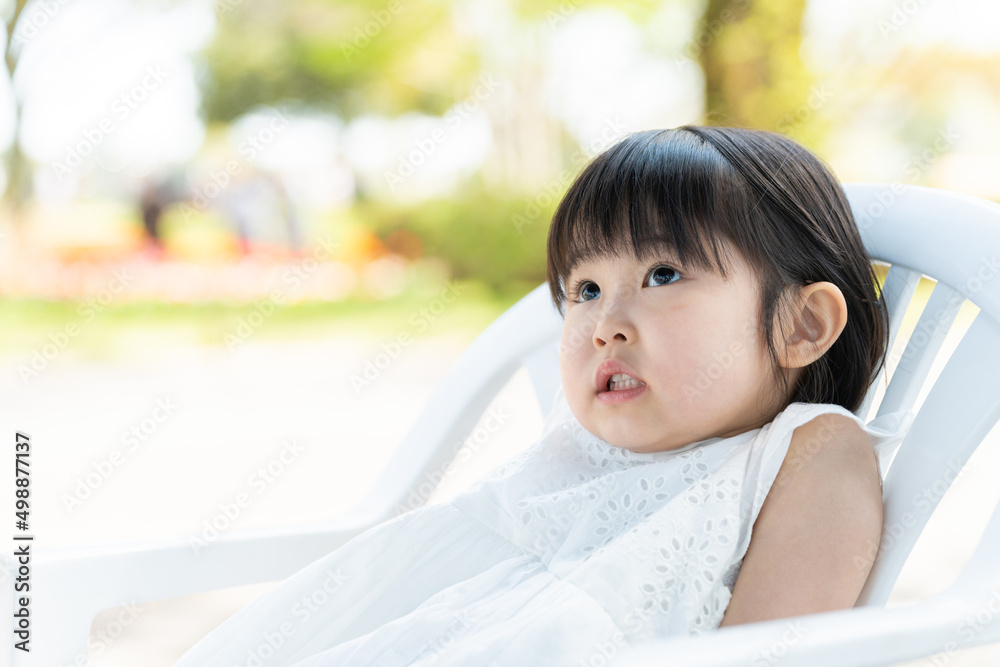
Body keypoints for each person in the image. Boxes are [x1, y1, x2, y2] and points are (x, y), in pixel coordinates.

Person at [175, 126, 915, 665]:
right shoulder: (585, 448)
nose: (603, 324)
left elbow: (773, 653)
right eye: (584, 288)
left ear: (800, 325)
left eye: (662, 274)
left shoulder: (813, 453)